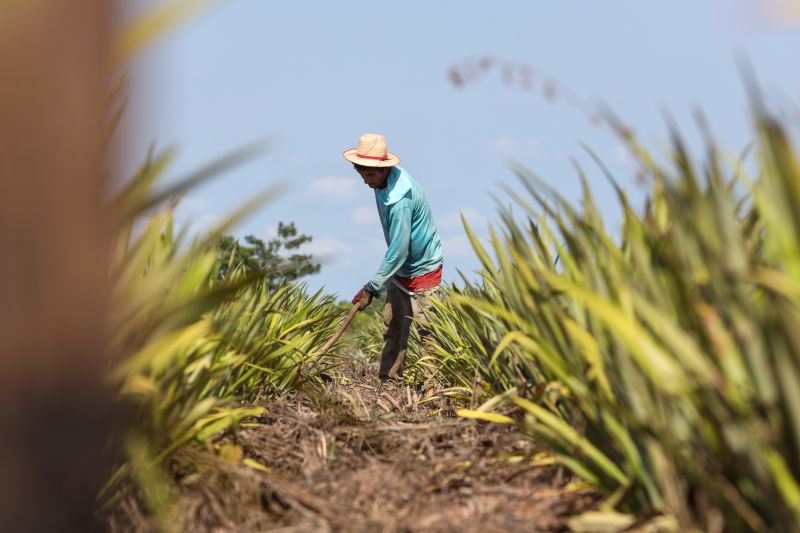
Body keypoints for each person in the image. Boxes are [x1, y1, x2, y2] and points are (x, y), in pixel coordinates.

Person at [344, 133, 444, 383]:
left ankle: (433, 387)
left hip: (423, 267)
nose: (367, 181)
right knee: (393, 326)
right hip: (401, 269)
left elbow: (399, 249)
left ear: (386, 168)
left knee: (428, 331)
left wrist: (372, 287)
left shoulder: (400, 198)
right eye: (363, 174)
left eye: (371, 175)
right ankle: (388, 380)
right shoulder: (381, 182)